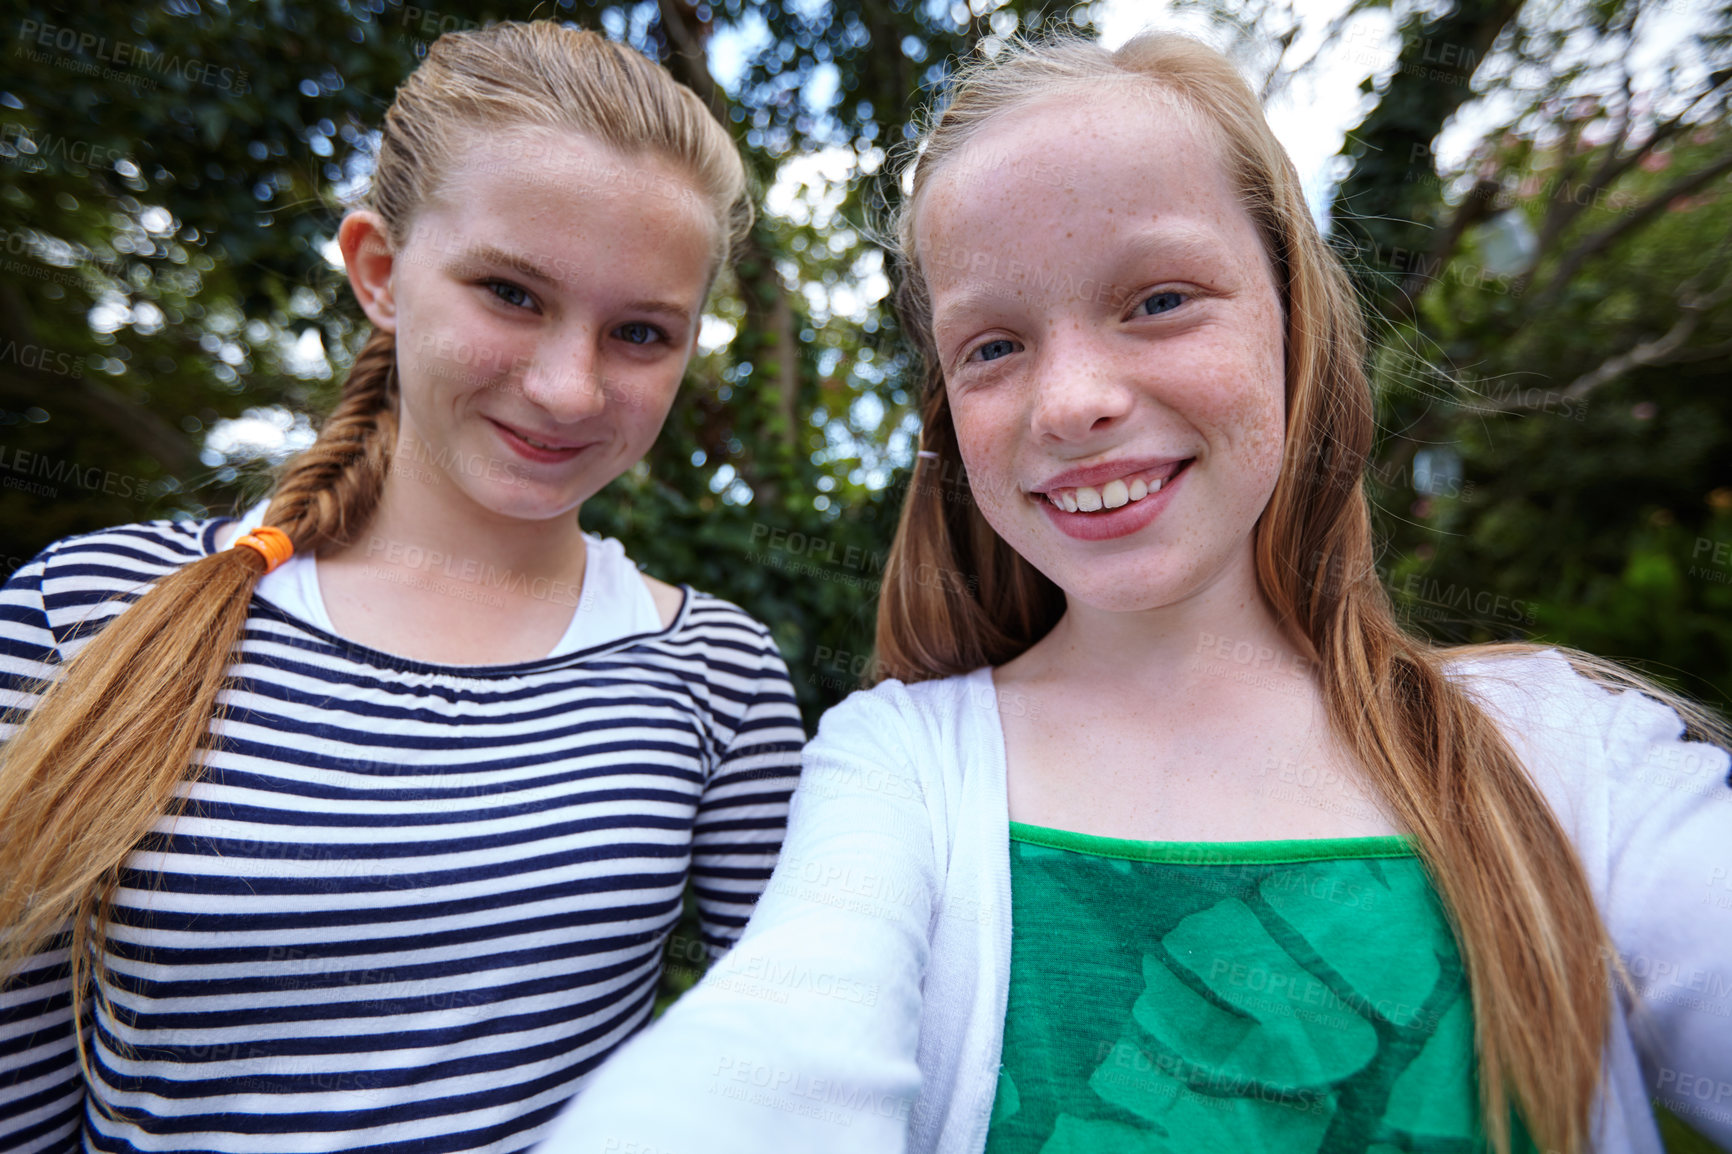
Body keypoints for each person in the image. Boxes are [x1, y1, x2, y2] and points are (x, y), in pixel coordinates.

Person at [538, 30, 1732, 1154]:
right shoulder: (895, 765)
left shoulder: (1568, 758)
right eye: (992, 345)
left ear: (1290, 322)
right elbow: (775, 1043)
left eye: (1158, 299)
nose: (1071, 402)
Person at [0, 22, 803, 1154]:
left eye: (638, 332)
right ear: (379, 270)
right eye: (511, 294)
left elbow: (785, 1070)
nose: (568, 388)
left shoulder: (716, 670)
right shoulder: (88, 608)